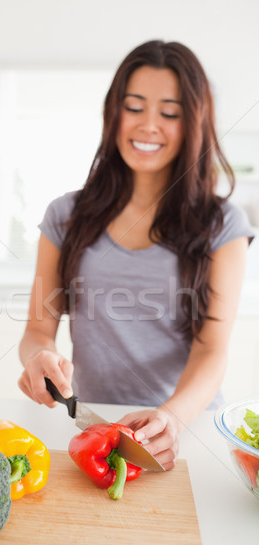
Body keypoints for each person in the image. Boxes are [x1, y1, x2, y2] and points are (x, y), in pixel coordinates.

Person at [17, 40, 255, 470]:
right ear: (113, 113)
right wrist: (38, 358)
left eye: (169, 113)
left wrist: (172, 418)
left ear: (194, 123)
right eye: (134, 106)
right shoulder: (65, 216)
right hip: (93, 428)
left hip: (185, 429)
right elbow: (38, 328)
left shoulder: (223, 224)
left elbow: (211, 350)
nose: (148, 125)